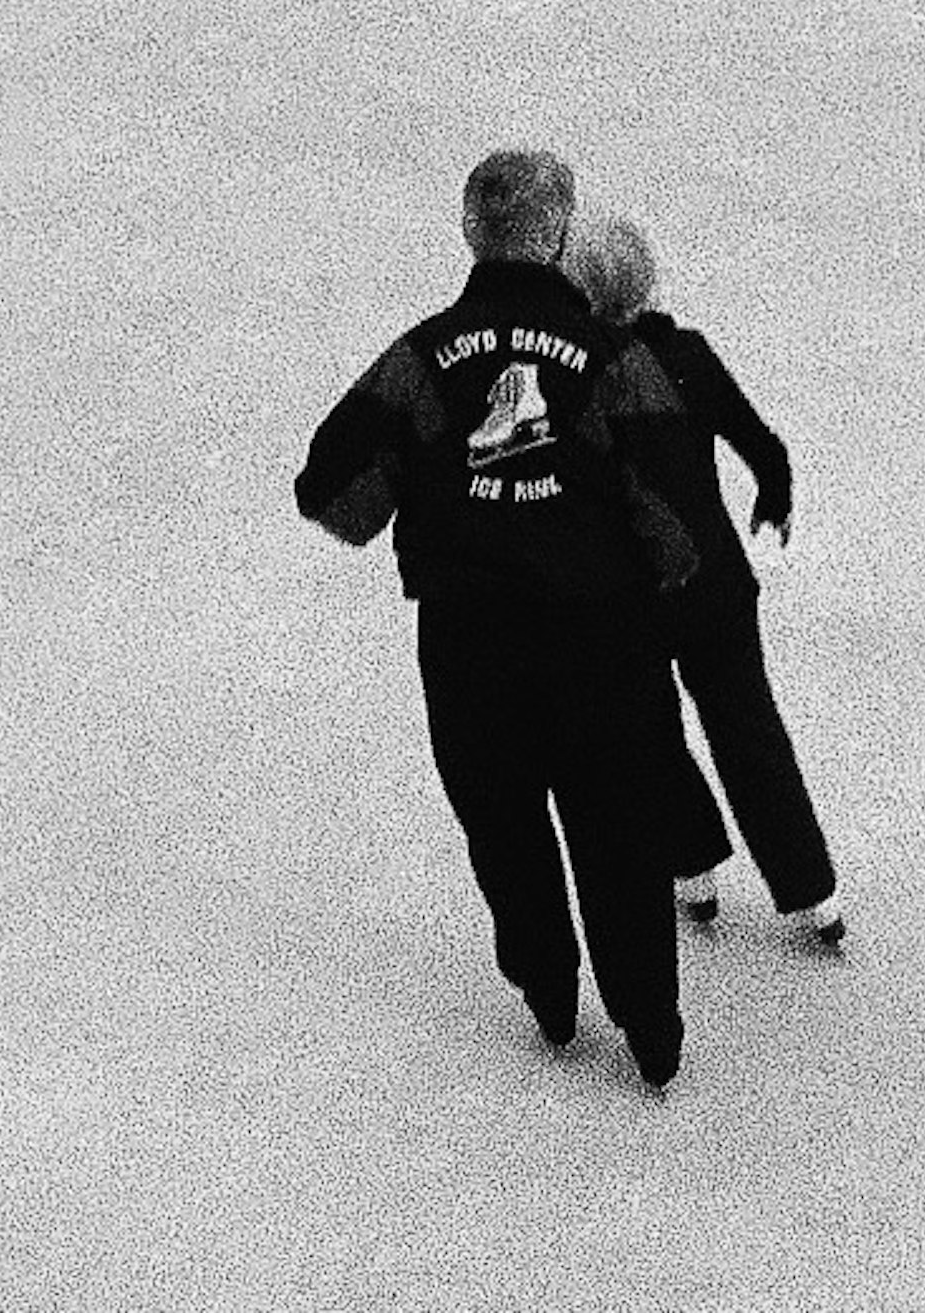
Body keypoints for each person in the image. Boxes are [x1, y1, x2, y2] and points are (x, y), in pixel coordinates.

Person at [296, 149, 701, 1091]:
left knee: (503, 823)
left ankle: (550, 995)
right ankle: (650, 1030)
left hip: (470, 642)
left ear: (471, 232)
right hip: (604, 644)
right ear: (559, 234)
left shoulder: (422, 356)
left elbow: (333, 491)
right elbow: (676, 515)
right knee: (619, 828)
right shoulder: (614, 358)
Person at [564, 216, 847, 951]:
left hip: (635, 600)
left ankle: (693, 863)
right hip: (719, 587)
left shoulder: (581, 380)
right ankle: (814, 892)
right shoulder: (688, 355)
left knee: (648, 732)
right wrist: (771, 506)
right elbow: (765, 447)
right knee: (751, 734)